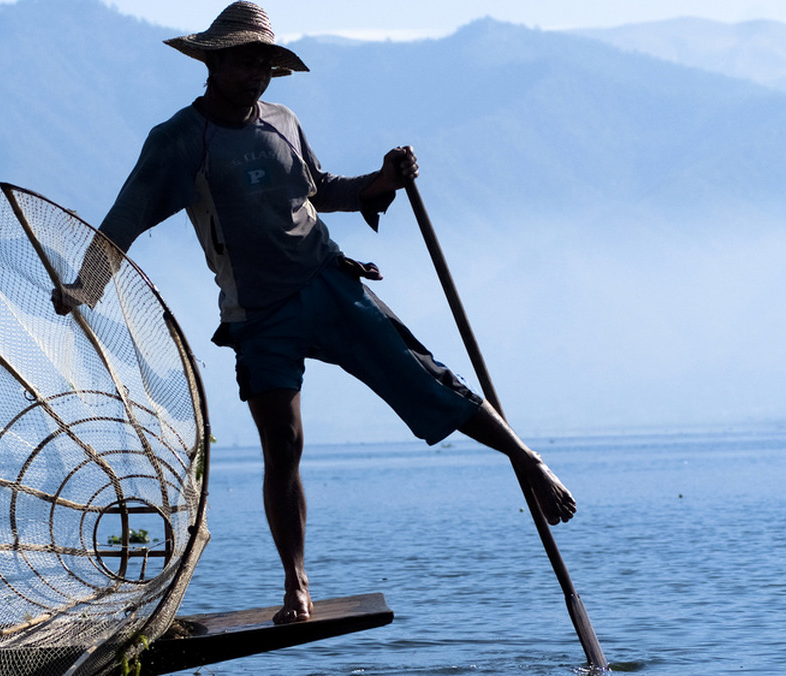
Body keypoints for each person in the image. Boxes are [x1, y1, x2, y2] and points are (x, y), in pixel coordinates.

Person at [53, 1, 576, 625]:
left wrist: (383, 180)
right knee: (285, 444)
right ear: (215, 61)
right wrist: (86, 285)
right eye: (246, 61)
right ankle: (296, 584)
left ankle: (530, 461)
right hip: (259, 313)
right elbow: (125, 216)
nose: (257, 75)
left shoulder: (283, 120)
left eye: (266, 64)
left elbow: (321, 190)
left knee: (427, 376)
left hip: (327, 283)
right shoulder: (179, 141)